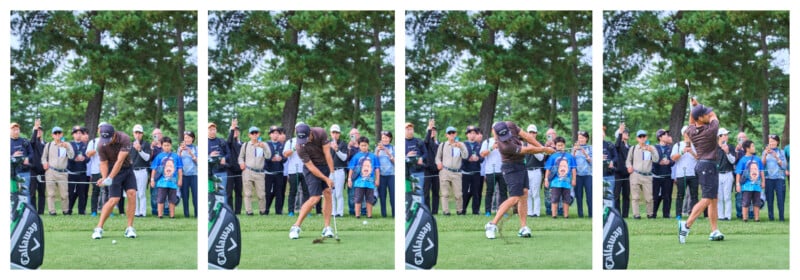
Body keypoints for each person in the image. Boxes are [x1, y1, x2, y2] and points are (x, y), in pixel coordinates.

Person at [484, 121, 554, 239]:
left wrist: (540, 147)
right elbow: (526, 150)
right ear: (495, 134)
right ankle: (492, 224)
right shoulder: (504, 146)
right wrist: (544, 149)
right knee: (515, 197)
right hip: (510, 168)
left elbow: (527, 136)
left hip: (521, 165)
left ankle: (523, 228)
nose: (506, 138)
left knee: (524, 194)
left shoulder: (510, 125)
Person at [678, 102, 724, 244]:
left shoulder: (691, 130)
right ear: (700, 118)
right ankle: (685, 226)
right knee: (707, 199)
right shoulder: (711, 130)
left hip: (705, 166)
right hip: (707, 166)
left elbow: (692, 120)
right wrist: (699, 107)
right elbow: (713, 116)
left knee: (713, 199)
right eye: (705, 114)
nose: (708, 114)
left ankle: (714, 230)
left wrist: (695, 106)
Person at [288, 123, 335, 239]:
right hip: (311, 169)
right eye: (301, 138)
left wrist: (332, 173)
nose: (303, 141)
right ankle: (296, 226)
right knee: (315, 197)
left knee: (328, 193)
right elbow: (310, 167)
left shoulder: (320, 132)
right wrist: (326, 178)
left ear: (310, 133)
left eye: (306, 138)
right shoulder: (299, 146)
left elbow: (327, 154)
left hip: (324, 166)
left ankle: (327, 228)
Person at [92, 123, 138, 239]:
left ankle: (129, 228)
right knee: (114, 199)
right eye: (104, 138)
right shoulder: (101, 144)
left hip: (126, 169)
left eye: (109, 138)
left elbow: (120, 161)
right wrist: (104, 177)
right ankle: (99, 228)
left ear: (114, 134)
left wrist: (109, 178)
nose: (106, 141)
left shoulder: (125, 138)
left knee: (132, 194)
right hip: (112, 170)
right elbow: (103, 163)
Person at [42, 126, 75, 215]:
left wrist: (67, 147)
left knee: (64, 194)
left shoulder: (67, 144)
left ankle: (65, 211)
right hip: (50, 172)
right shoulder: (48, 145)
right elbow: (43, 157)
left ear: (62, 134)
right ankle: (52, 211)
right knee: (51, 194)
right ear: (52, 135)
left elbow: (72, 156)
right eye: (55, 133)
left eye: (59, 133)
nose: (57, 135)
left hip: (63, 173)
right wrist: (44, 163)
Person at [238, 126, 271, 215]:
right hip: (248, 171)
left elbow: (268, 156)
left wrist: (264, 147)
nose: (254, 135)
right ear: (249, 135)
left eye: (256, 133)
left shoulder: (264, 144)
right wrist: (241, 163)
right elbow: (240, 157)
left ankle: (262, 211)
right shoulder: (245, 145)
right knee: (248, 193)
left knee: (261, 194)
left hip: (260, 172)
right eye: (252, 133)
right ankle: (249, 211)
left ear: (259, 134)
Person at [436, 126, 468, 215]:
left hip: (457, 172)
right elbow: (437, 157)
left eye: (453, 133)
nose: (451, 135)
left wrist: (461, 147)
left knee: (458, 194)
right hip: (445, 171)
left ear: (456, 134)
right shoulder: (442, 145)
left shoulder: (461, 144)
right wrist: (438, 163)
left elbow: (465, 156)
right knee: (445, 193)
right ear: (446, 135)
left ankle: (459, 210)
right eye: (449, 133)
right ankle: (446, 211)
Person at [149, 136, 183, 218]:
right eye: (164, 145)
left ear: (171, 145)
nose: (166, 147)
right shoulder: (159, 156)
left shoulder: (176, 156)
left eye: (168, 145)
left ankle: (172, 215)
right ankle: (160, 215)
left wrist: (180, 180)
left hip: (173, 182)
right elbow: (154, 169)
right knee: (160, 199)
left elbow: (179, 169)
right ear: (162, 146)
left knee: (172, 200)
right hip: (162, 182)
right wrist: (152, 179)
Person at [544, 136, 576, 219]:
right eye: (558, 145)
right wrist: (546, 179)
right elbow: (548, 169)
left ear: (564, 145)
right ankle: (554, 215)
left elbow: (573, 169)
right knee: (554, 199)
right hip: (555, 182)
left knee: (566, 200)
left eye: (562, 145)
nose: (560, 147)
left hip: (567, 182)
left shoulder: (570, 156)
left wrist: (574, 179)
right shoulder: (552, 156)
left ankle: (566, 215)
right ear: (555, 146)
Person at [348, 136, 381, 216]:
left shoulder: (373, 156)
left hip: (370, 182)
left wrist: (377, 179)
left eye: (365, 145)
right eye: (362, 145)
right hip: (359, 182)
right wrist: (349, 179)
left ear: (368, 145)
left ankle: (369, 215)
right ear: (359, 146)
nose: (364, 147)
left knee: (369, 199)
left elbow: (377, 169)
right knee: (358, 199)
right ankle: (357, 215)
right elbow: (351, 168)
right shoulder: (356, 156)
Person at [672, 126, 699, 218]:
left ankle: (693, 214)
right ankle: (678, 214)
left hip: (693, 173)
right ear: (683, 134)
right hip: (681, 174)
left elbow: (699, 158)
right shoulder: (678, 145)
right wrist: (682, 152)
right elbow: (673, 158)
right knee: (680, 195)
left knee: (694, 195)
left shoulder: (696, 145)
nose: (689, 134)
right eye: (687, 132)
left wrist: (692, 152)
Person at [481, 127, 508, 216]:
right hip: (490, 170)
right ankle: (488, 211)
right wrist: (492, 148)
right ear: (492, 130)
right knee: (490, 191)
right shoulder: (487, 142)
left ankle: (503, 211)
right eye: (495, 129)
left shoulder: (505, 140)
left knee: (503, 191)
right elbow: (482, 154)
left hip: (503, 169)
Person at [735, 140, 763, 222]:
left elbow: (761, 171)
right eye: (752, 146)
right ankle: (745, 218)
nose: (754, 148)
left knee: (757, 202)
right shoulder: (742, 160)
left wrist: (763, 181)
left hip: (757, 185)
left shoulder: (757, 159)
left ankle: (757, 218)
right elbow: (738, 173)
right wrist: (737, 184)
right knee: (745, 202)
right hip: (746, 186)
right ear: (747, 148)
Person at [762, 134, 787, 221]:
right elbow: (762, 165)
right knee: (769, 199)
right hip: (769, 178)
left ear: (777, 142)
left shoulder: (781, 152)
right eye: (770, 141)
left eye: (773, 141)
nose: (771, 143)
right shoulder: (765, 152)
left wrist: (776, 156)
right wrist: (765, 154)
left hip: (780, 178)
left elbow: (784, 166)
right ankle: (771, 218)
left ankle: (781, 218)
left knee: (780, 199)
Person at [129, 124, 152, 217]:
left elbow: (147, 158)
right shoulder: (130, 145)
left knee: (141, 193)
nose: (138, 134)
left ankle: (143, 212)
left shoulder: (146, 144)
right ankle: (136, 212)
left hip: (142, 171)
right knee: (135, 192)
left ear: (142, 134)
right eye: (136, 132)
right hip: (133, 171)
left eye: (139, 133)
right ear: (133, 133)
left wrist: (140, 150)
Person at [461, 126, 483, 215]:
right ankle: (463, 209)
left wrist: (478, 158)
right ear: (467, 135)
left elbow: (483, 158)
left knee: (476, 192)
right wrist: (467, 159)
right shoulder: (463, 144)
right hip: (465, 172)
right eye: (470, 133)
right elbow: (460, 156)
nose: (472, 135)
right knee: (464, 192)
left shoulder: (479, 145)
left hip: (476, 172)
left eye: (474, 133)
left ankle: (475, 210)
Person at [264, 125, 287, 215]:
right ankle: (266, 209)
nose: (275, 135)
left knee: (279, 192)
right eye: (273, 133)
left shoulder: (282, 145)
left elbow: (286, 158)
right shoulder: (266, 145)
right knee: (268, 192)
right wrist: (270, 159)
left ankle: (278, 211)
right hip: (269, 172)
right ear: (270, 135)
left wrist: (281, 158)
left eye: (277, 133)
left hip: (279, 172)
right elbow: (263, 157)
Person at [524, 125, 546, 217]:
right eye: (530, 132)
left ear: (536, 134)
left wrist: (533, 148)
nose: (532, 134)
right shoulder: (523, 145)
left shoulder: (540, 144)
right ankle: (529, 212)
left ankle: (536, 213)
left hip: (536, 171)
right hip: (526, 171)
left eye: (533, 132)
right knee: (528, 193)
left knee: (535, 193)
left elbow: (541, 158)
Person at [652, 129, 674, 218]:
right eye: (665, 135)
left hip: (667, 175)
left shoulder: (670, 148)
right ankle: (653, 213)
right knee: (655, 196)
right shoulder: (654, 148)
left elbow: (674, 160)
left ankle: (666, 214)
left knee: (667, 196)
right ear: (660, 137)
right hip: (656, 176)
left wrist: (669, 162)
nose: (667, 136)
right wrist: (658, 162)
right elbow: (651, 160)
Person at [330, 124, 350, 217]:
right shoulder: (327, 144)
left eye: (337, 132)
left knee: (339, 193)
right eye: (333, 132)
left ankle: (340, 212)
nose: (335, 134)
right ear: (331, 133)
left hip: (339, 171)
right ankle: (333, 212)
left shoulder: (343, 144)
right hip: (330, 171)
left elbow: (344, 158)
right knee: (331, 193)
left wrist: (337, 149)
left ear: (339, 134)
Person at [716, 128, 735, 221]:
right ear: (719, 136)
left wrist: (727, 151)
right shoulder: (714, 148)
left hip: (728, 173)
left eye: (727, 135)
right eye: (725, 135)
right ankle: (720, 216)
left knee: (727, 196)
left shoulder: (730, 147)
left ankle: (728, 216)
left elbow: (733, 161)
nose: (727, 136)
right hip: (718, 174)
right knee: (719, 197)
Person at [572, 130, 592, 218]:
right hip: (578, 175)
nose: (581, 139)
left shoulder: (590, 148)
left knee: (589, 196)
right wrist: (574, 152)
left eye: (583, 138)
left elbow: (591, 162)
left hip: (588, 175)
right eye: (579, 138)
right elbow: (571, 162)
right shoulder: (574, 148)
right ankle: (580, 214)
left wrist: (584, 152)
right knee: (579, 196)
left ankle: (591, 214)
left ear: (586, 138)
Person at [376, 130, 396, 217]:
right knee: (382, 196)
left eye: (386, 137)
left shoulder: (393, 148)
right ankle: (383, 214)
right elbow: (375, 162)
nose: (385, 139)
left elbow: (395, 162)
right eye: (383, 137)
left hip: (392, 175)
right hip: (381, 175)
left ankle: (394, 214)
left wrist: (388, 152)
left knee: (393, 195)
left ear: (390, 138)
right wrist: (377, 152)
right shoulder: (377, 148)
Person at [10, 122, 34, 195]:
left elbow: (31, 153)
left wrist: (27, 158)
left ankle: (26, 206)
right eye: (14, 130)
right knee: (13, 193)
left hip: (25, 172)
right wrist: (12, 156)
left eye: (17, 129)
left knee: (25, 192)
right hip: (13, 173)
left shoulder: (25, 141)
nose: (16, 131)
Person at [179, 130, 198, 218]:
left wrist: (191, 153)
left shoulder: (196, 148)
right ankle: (186, 214)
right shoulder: (180, 148)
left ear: (192, 138)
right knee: (185, 196)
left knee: (195, 196)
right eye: (185, 137)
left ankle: (197, 214)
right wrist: (180, 152)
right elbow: (177, 162)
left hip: (194, 175)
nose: (187, 139)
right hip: (184, 175)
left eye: (189, 137)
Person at [614, 123, 632, 217]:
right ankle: (617, 214)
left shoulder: (630, 147)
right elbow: (617, 144)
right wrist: (620, 132)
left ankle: (625, 214)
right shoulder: (617, 145)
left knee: (626, 195)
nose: (627, 134)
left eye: (627, 132)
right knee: (616, 195)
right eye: (624, 133)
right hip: (618, 173)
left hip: (627, 174)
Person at [423, 120, 441, 214]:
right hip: (427, 170)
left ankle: (435, 211)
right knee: (426, 192)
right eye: (431, 130)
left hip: (437, 170)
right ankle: (427, 210)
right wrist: (429, 128)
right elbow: (426, 140)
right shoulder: (426, 142)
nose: (433, 132)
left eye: (434, 130)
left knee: (436, 192)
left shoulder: (439, 143)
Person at [226, 120, 244, 214]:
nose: (235, 132)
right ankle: (230, 210)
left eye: (237, 131)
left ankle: (238, 211)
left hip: (240, 170)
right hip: (230, 170)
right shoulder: (229, 143)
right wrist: (232, 128)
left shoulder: (242, 144)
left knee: (238, 192)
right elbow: (229, 141)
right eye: (234, 131)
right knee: (229, 192)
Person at [405, 122, 427, 192]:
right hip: (407, 173)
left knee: (419, 192)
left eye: (411, 129)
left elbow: (426, 153)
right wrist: (407, 156)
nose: (410, 131)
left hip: (419, 172)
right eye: (407, 129)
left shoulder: (419, 141)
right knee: (408, 193)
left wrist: (421, 158)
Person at [149, 128, 163, 216]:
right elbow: (148, 158)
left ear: (161, 135)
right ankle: (155, 210)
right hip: (154, 171)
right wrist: (151, 148)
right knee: (154, 191)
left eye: (158, 134)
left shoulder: (165, 145)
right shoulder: (151, 147)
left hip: (165, 171)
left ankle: (165, 210)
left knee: (164, 190)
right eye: (155, 134)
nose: (157, 136)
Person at [602, 126, 617, 199]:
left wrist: (612, 161)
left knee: (610, 195)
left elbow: (616, 157)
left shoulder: (609, 144)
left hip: (609, 174)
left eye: (603, 132)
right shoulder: (593, 147)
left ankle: (609, 210)